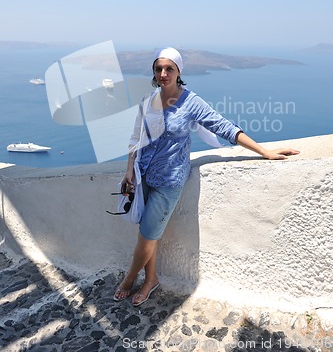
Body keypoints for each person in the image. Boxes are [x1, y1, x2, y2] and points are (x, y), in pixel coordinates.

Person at [113, 47, 300, 306]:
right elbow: (136, 139)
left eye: (169, 69)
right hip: (144, 176)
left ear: (179, 72)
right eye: (159, 69)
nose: (163, 74)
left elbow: (224, 127)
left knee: (146, 236)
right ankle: (150, 280)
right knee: (149, 234)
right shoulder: (148, 102)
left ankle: (129, 279)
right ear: (154, 73)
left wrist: (264, 151)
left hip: (169, 181)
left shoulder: (191, 102)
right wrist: (129, 171)